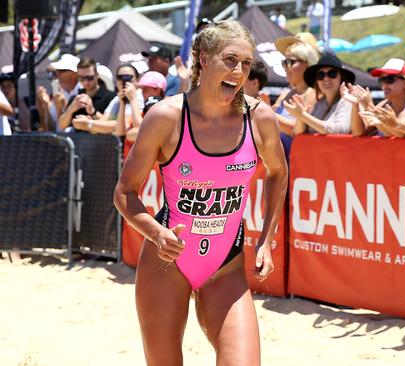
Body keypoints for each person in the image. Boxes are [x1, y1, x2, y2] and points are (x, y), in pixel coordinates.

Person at [114, 20, 287, 365]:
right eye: (230, 59)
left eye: (247, 63)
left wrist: (267, 240)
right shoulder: (166, 116)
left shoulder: (260, 118)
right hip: (168, 263)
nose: (239, 72)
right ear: (203, 59)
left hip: (226, 265)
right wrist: (157, 234)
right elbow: (124, 192)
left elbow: (278, 173)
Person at [348, 58, 405, 137]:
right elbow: (358, 133)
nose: (384, 85)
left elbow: (399, 134)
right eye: (381, 80)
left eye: (390, 79)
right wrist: (355, 104)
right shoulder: (383, 105)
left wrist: (369, 106)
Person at [272, 36, 319, 156]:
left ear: (307, 64)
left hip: (296, 162)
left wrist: (270, 115)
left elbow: (298, 130)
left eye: (290, 62)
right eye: (284, 62)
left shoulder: (313, 95)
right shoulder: (284, 95)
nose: (286, 67)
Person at [286, 53, 355, 135]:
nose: (326, 78)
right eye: (320, 75)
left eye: (332, 73)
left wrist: (303, 116)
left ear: (341, 77)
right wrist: (301, 117)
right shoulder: (320, 103)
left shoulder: (348, 101)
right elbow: (298, 132)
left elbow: (340, 130)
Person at [58, 57, 116, 132]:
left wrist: (92, 112)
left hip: (102, 142)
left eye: (89, 78)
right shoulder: (77, 97)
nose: (86, 82)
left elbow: (112, 126)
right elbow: (61, 125)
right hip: (78, 142)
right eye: (81, 78)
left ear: (97, 75)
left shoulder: (111, 97)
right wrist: (71, 109)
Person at [35, 54, 80, 131]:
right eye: (57, 70)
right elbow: (50, 129)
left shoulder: (83, 93)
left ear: (75, 74)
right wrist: (45, 106)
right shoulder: (58, 93)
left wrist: (62, 108)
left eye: (62, 70)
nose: (58, 73)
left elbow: (70, 129)